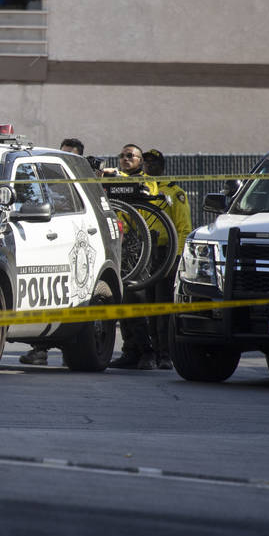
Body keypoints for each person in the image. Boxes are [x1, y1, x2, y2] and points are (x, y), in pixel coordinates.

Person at [20, 138, 87, 367]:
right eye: (62, 152)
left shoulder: (76, 181)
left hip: (72, 248)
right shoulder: (44, 182)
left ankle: (75, 353)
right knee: (49, 296)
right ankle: (40, 351)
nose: (62, 156)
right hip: (52, 248)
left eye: (69, 153)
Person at [106, 144, 160, 370]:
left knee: (137, 299)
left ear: (140, 161)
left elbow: (148, 192)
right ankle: (130, 350)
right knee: (122, 298)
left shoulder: (147, 181)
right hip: (120, 246)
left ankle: (149, 353)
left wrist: (116, 175)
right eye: (122, 156)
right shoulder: (117, 182)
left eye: (131, 156)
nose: (125, 159)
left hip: (141, 245)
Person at [142, 149, 192, 369]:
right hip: (146, 253)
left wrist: (177, 258)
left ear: (162, 167)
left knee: (162, 306)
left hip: (165, 252)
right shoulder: (143, 191)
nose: (149, 166)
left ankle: (165, 354)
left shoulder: (174, 192)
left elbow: (184, 228)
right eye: (146, 163)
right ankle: (151, 352)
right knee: (147, 307)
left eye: (153, 163)